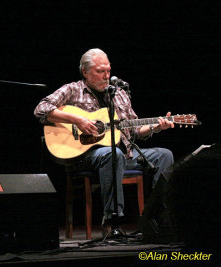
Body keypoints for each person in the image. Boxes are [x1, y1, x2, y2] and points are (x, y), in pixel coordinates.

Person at [34, 48, 174, 237]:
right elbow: (41, 109)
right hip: (84, 157)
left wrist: (156, 127)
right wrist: (77, 120)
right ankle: (112, 221)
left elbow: (135, 130)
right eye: (100, 71)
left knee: (164, 155)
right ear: (85, 72)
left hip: (123, 154)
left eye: (108, 70)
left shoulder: (119, 94)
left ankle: (158, 218)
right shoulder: (73, 89)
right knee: (112, 154)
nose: (106, 76)